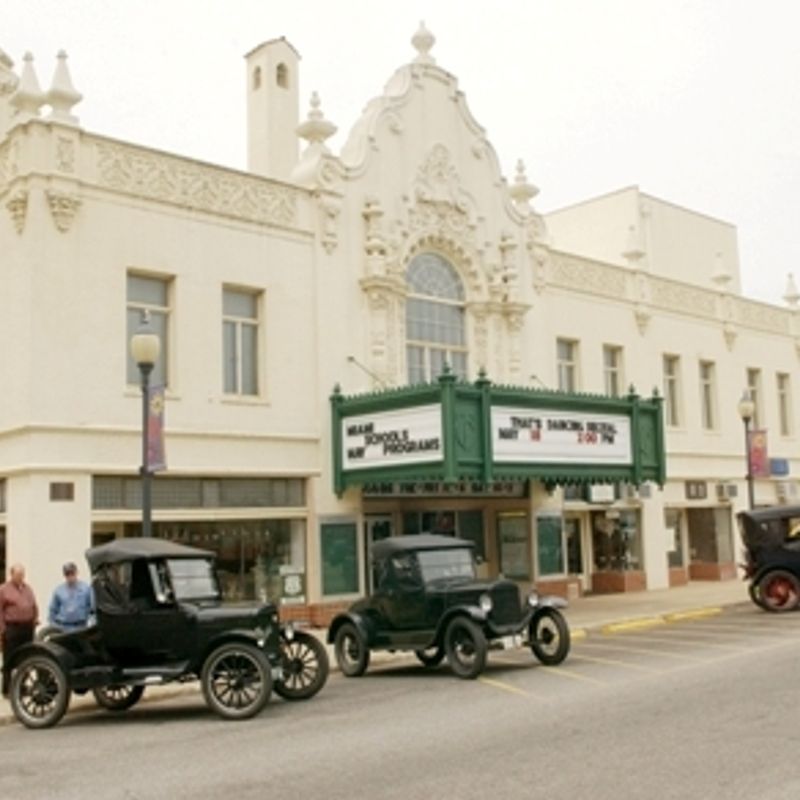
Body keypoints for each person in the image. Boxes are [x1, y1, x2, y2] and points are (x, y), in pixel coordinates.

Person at [0, 563, 39, 697]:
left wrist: (34, 619)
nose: (21, 577)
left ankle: (22, 687)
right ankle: (7, 689)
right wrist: (3, 629)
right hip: (12, 628)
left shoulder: (28, 588)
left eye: (22, 574)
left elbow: (34, 605)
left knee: (25, 659)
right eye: (18, 575)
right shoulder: (4, 589)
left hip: (27, 628)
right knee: (10, 659)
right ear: (12, 575)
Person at [48, 562, 94, 632]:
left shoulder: (86, 589)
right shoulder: (59, 591)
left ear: (77, 572)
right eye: (67, 574)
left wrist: (92, 624)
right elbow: (53, 610)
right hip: (63, 627)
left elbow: (93, 609)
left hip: (81, 627)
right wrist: (53, 626)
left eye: (72, 573)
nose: (70, 576)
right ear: (64, 575)